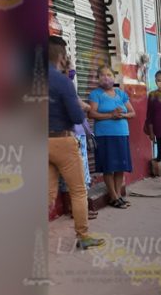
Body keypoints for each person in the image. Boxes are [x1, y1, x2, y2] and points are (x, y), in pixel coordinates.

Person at [48, 36, 104, 249]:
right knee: (79, 191)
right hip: (62, 141)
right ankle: (83, 236)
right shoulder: (63, 82)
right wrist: (83, 108)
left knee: (47, 195)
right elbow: (76, 117)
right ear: (62, 57)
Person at [88, 65, 135, 209]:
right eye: (102, 75)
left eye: (108, 75)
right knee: (108, 167)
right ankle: (113, 196)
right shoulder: (96, 94)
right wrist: (110, 115)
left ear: (114, 78)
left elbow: (132, 112)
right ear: (98, 78)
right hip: (105, 135)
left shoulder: (121, 94)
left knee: (120, 166)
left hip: (121, 134)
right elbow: (91, 114)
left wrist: (123, 115)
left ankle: (118, 195)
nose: (106, 77)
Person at [58, 58, 98, 220]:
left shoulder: (68, 87)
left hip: (79, 133)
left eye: (72, 68)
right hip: (69, 135)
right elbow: (80, 108)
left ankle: (79, 207)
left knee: (82, 173)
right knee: (75, 174)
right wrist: (85, 106)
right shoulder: (60, 87)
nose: (72, 71)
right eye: (68, 68)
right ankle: (76, 209)